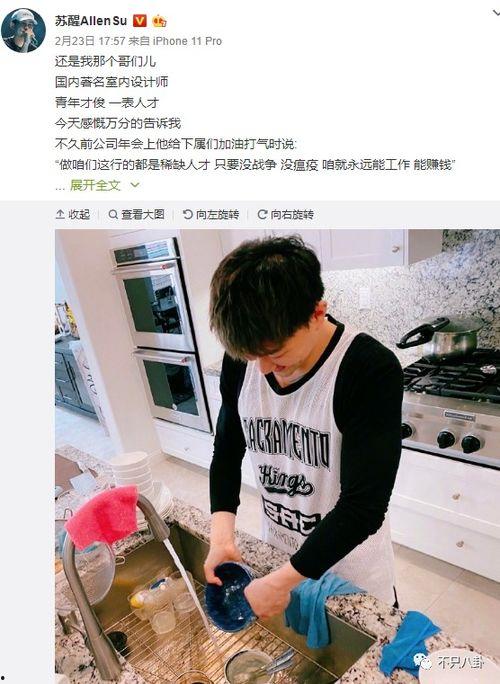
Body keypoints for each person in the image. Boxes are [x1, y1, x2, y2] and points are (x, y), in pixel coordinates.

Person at [204, 235, 404, 619]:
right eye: (252, 356)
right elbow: (226, 451)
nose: (262, 369)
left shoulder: (368, 369)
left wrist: (281, 582)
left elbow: (363, 507)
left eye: (275, 353)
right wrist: (221, 537)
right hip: (281, 558)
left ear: (317, 312)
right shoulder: (245, 360)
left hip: (351, 575)